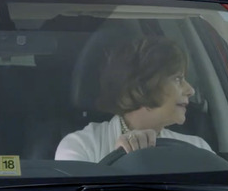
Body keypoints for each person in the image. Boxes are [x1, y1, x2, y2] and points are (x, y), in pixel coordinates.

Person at [55, 36, 212, 162]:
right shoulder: (81, 145)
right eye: (178, 79)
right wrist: (123, 160)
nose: (190, 90)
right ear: (143, 86)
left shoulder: (197, 149)